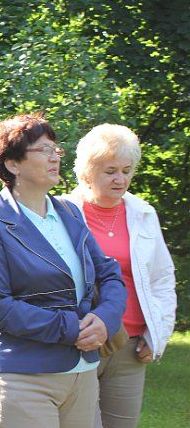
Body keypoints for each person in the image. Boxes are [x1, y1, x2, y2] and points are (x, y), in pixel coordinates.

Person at [0, 112, 127, 428]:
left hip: (83, 373)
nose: (55, 157)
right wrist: (71, 329)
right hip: (25, 376)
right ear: (13, 164)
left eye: (56, 149)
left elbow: (109, 273)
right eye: (44, 150)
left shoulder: (69, 212)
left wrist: (105, 320)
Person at [63, 124, 176, 427]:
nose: (120, 179)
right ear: (87, 172)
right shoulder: (62, 212)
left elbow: (162, 278)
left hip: (130, 346)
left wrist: (157, 336)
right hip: (80, 341)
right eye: (110, 171)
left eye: (126, 171)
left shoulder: (143, 213)